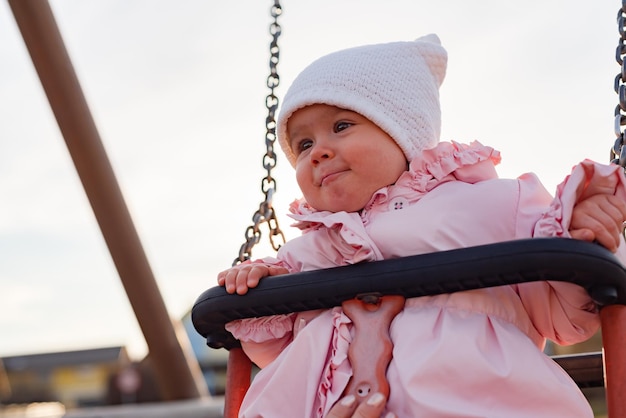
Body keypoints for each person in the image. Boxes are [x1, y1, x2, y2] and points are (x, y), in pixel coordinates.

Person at [217, 34, 626, 417]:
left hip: (473, 399)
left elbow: (567, 314)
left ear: (403, 133)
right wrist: (259, 287)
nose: (319, 152)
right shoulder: (306, 253)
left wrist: (583, 233)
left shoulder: (487, 206)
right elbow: (279, 351)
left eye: (341, 126)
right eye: (304, 145)